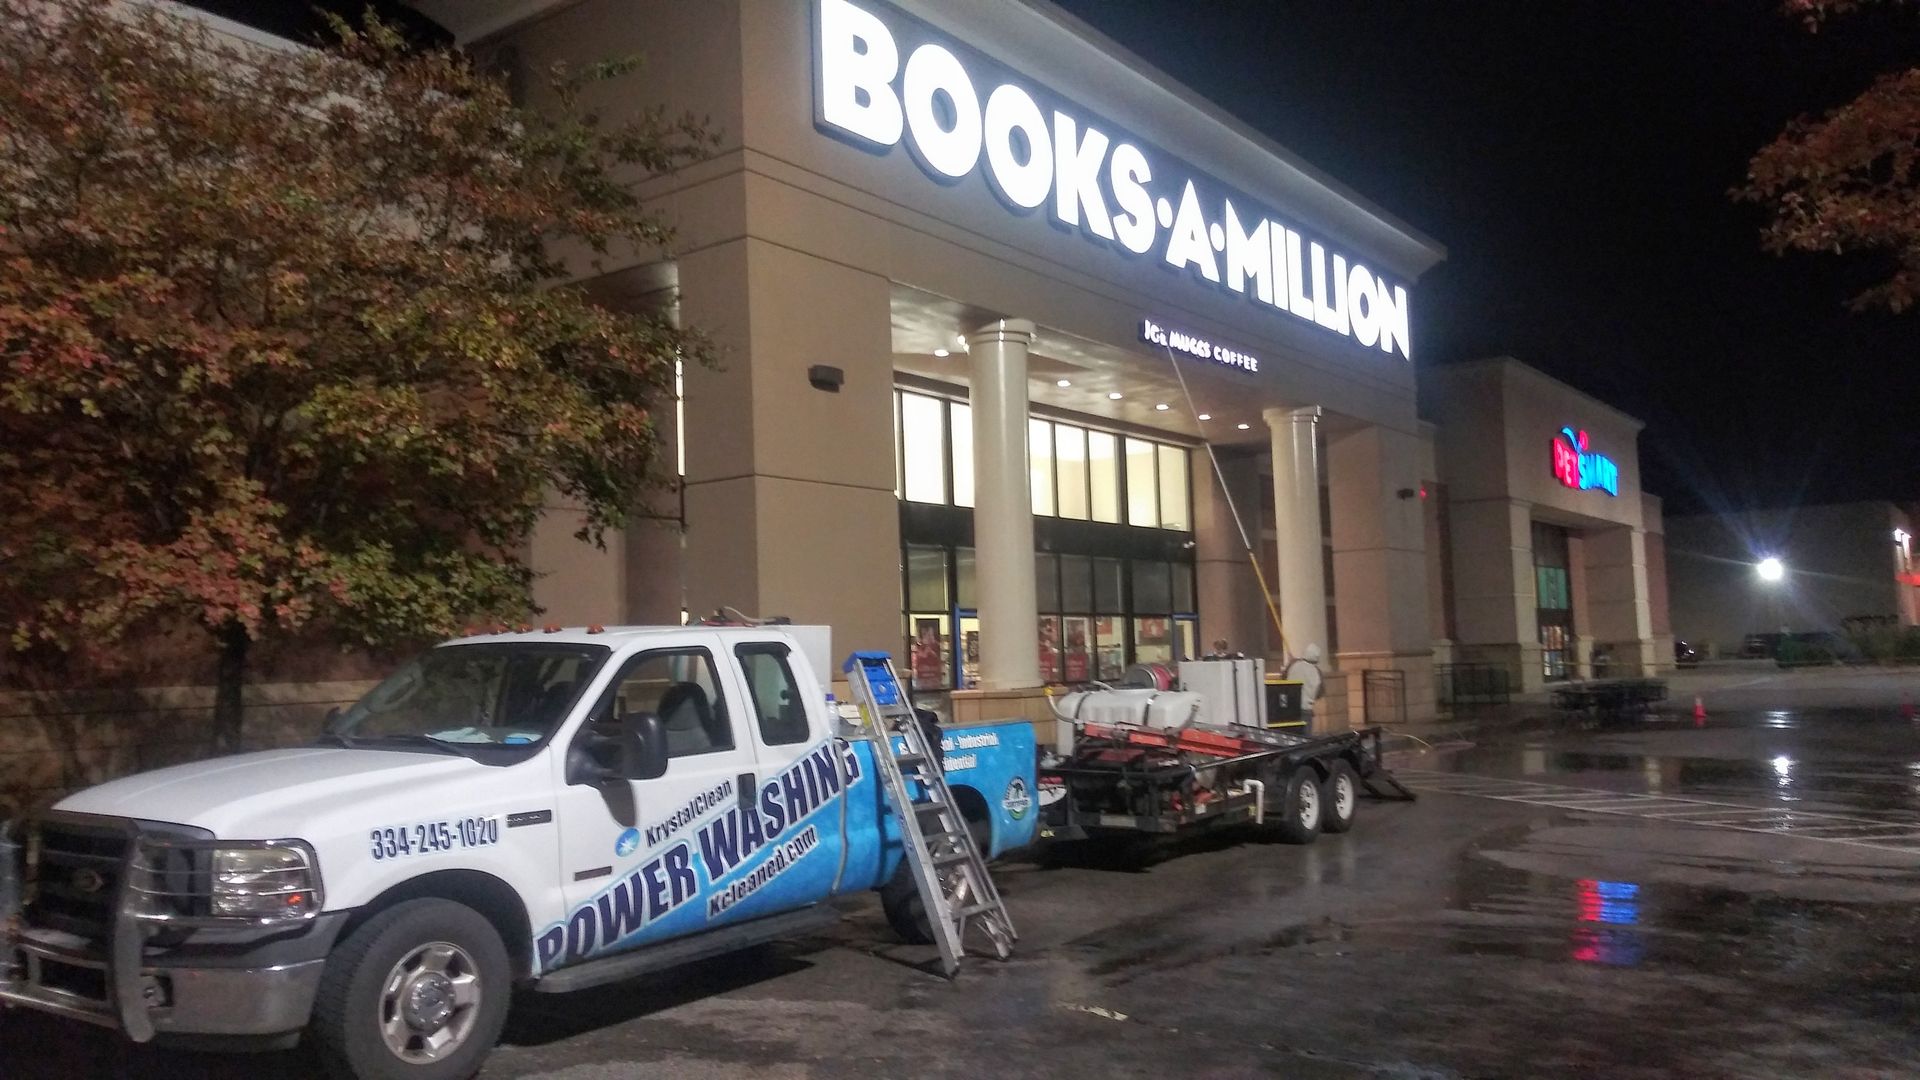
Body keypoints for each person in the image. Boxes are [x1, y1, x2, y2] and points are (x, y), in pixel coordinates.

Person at [1283, 644, 1325, 722]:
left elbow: (1283, 681)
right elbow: (1320, 692)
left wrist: (1290, 663)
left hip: (1291, 708)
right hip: (1307, 709)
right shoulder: (1317, 672)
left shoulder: (1293, 666)